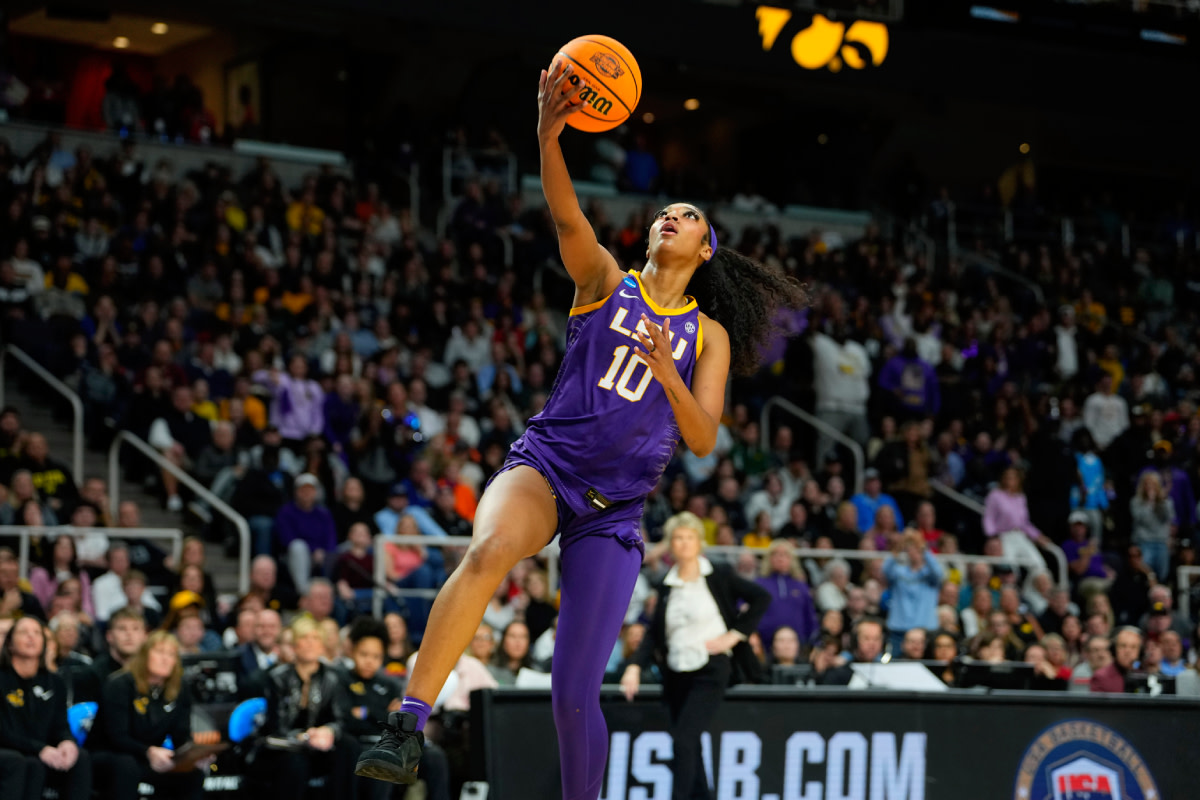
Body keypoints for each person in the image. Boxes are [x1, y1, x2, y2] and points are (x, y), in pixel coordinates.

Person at [354, 59, 806, 798]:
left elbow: (701, 439)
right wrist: (547, 134)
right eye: (667, 210)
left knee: (572, 696)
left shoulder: (708, 336)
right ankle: (404, 725)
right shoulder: (602, 280)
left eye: (689, 216)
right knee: (491, 547)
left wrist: (668, 371)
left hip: (616, 511)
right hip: (547, 467)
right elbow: (566, 215)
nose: (672, 217)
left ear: (707, 249)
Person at [619, 513, 770, 800]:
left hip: (710, 668)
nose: (684, 543)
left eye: (689, 537)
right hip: (675, 672)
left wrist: (735, 634)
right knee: (690, 745)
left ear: (699, 542)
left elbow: (761, 597)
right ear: (671, 545)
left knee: (683, 740)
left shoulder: (719, 574)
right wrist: (635, 666)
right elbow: (654, 633)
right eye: (678, 537)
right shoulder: (666, 584)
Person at [87, 632, 210, 800]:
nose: (165, 659)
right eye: (159, 652)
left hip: (147, 758)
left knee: (192, 774)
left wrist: (193, 755)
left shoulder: (180, 689)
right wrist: (149, 751)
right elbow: (117, 736)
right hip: (108, 754)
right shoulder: (119, 684)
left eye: (171, 654)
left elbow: (181, 735)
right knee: (127, 765)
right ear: (144, 655)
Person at [252, 617, 354, 798]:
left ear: (322, 646)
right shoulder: (277, 677)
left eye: (315, 638)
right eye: (304, 638)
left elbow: (340, 718)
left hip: (321, 745)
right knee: (295, 762)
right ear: (294, 645)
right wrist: (305, 736)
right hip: (286, 745)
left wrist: (328, 731)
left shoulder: (333, 677)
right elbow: (276, 726)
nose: (310, 643)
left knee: (349, 747)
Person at [0, 616, 92, 800]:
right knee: (25, 762)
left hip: (41, 750)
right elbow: (3, 731)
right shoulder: (2, 678)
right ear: (10, 644)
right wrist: (40, 748)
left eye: (36, 633)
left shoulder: (54, 682)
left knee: (80, 756)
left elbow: (60, 725)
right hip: (9, 748)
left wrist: (67, 742)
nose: (31, 637)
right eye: (23, 632)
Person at [882, 530, 945, 653]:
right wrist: (899, 547)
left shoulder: (931, 575)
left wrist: (924, 547)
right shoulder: (899, 572)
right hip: (899, 629)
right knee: (895, 666)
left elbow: (939, 573)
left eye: (918, 550)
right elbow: (885, 570)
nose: (914, 553)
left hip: (926, 630)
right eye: (911, 549)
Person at [755, 540, 818, 648]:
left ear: (791, 559)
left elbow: (809, 616)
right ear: (769, 559)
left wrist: (814, 641)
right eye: (775, 554)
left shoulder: (801, 586)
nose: (780, 558)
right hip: (763, 644)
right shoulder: (758, 584)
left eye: (784, 554)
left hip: (797, 645)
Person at [1090, 627, 1141, 693]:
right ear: (1114, 650)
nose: (1128, 651)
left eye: (1133, 647)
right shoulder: (1101, 677)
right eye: (1123, 646)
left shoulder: (1144, 674)